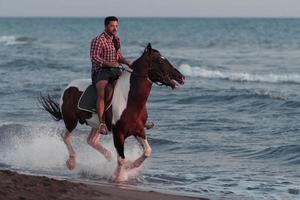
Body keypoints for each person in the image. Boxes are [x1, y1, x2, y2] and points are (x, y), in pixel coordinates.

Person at [90, 16, 132, 135]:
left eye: (116, 26)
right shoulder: (98, 40)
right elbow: (94, 58)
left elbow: (118, 56)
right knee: (103, 93)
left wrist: (126, 61)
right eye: (112, 26)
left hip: (115, 70)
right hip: (101, 71)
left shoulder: (117, 39)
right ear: (106, 26)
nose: (115, 28)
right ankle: (102, 123)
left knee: (130, 87)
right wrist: (110, 64)